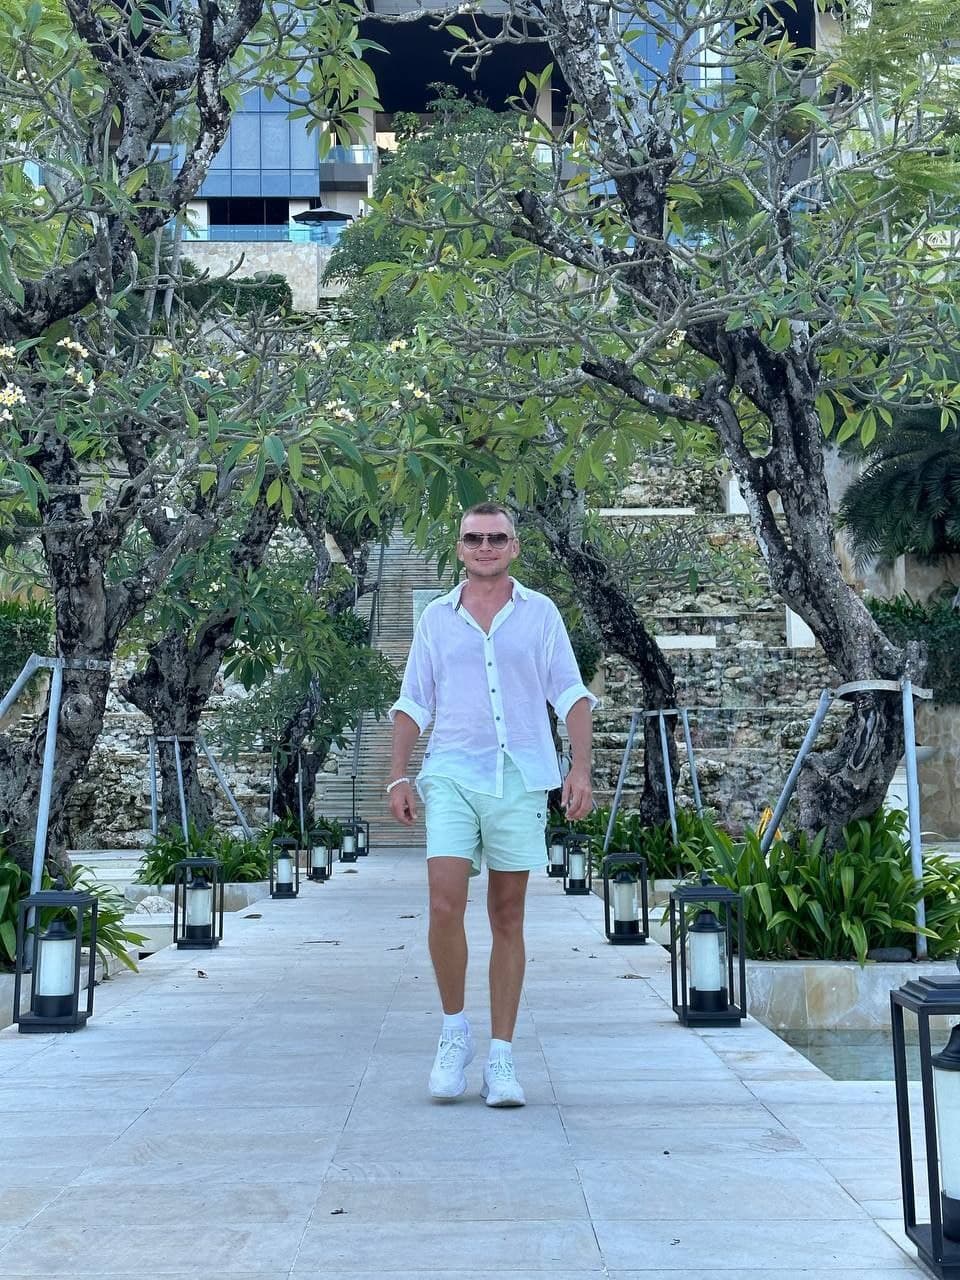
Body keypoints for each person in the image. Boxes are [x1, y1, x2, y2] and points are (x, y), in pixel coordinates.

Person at [387, 502, 596, 1106]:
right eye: (474, 538)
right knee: (443, 903)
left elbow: (571, 693)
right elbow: (412, 702)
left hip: (521, 777)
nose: (484, 546)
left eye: (496, 538)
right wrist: (397, 776)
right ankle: (455, 1030)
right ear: (459, 548)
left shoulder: (541, 615)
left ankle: (501, 1056)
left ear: (514, 547)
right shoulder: (435, 619)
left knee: (508, 916)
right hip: (451, 771)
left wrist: (578, 768)